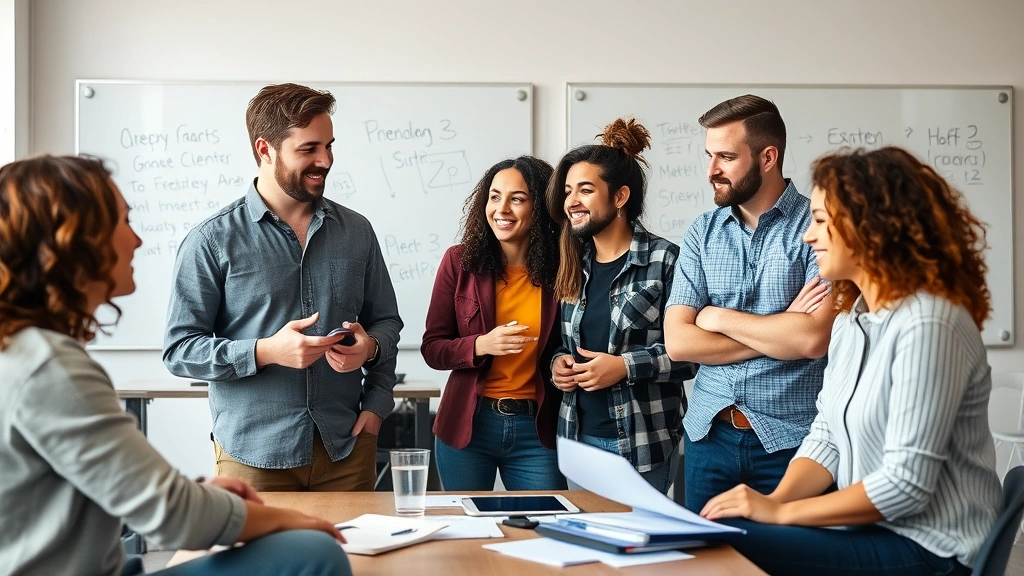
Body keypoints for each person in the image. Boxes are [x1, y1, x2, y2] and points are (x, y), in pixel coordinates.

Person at [0, 155, 351, 576]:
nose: (137, 241)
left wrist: (196, 496)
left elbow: (118, 491)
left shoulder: (26, 353)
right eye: (123, 222)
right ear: (76, 240)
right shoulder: (48, 369)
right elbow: (172, 517)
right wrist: (290, 521)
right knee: (316, 552)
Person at [699, 146, 1002, 576]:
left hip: (934, 546)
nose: (808, 235)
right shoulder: (852, 318)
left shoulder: (930, 323)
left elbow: (905, 486)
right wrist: (773, 502)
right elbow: (825, 436)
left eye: (821, 221)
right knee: (719, 531)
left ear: (872, 227)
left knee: (717, 543)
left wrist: (781, 515)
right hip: (874, 530)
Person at [164, 83, 402, 491]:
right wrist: (266, 351)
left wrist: (374, 378)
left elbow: (385, 321)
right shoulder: (212, 239)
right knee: (263, 559)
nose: (325, 160)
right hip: (253, 455)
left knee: (356, 558)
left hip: (346, 447)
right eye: (308, 148)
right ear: (265, 149)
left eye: (329, 146)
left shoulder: (357, 231)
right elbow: (179, 350)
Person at [664, 94, 835, 511]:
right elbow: (680, 343)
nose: (711, 171)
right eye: (708, 156)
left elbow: (812, 339)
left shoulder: (820, 227)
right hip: (708, 437)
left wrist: (716, 316)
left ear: (767, 157)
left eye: (725, 156)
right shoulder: (702, 232)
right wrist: (782, 327)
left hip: (792, 441)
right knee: (703, 565)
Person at [546, 118, 695, 494]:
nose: (571, 202)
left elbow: (691, 356)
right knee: (587, 549)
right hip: (577, 439)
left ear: (620, 197)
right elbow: (567, 344)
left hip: (640, 444)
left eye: (585, 190)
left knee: (639, 550)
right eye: (568, 191)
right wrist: (558, 364)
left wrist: (623, 367)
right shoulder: (572, 262)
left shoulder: (666, 260)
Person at [421, 156, 565, 491]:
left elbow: (567, 340)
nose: (502, 209)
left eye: (517, 199)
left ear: (540, 207)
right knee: (468, 534)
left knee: (539, 533)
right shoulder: (458, 262)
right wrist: (479, 345)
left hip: (537, 430)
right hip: (468, 426)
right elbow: (432, 348)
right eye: (495, 196)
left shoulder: (563, 268)